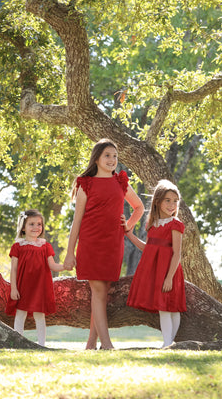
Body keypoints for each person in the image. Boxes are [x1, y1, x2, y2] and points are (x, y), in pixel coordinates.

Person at [64, 138, 144, 350]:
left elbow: (139, 208)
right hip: (91, 244)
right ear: (97, 158)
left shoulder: (120, 182)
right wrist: (69, 253)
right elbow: (76, 221)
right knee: (98, 293)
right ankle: (106, 344)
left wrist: (127, 226)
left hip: (113, 244)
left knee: (101, 294)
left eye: (115, 156)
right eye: (107, 155)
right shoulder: (85, 184)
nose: (112, 160)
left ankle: (91, 343)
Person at [124, 179, 186, 348]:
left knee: (172, 307)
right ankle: (169, 342)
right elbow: (148, 249)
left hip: (169, 271)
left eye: (175, 201)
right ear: (158, 201)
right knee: (163, 308)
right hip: (155, 271)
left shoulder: (176, 224)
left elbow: (177, 253)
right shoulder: (152, 224)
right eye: (168, 200)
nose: (172, 205)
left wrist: (169, 278)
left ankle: (168, 343)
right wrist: (129, 235)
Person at [6, 209, 64, 346]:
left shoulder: (45, 246)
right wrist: (13, 288)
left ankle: (42, 344)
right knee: (20, 313)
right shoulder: (18, 247)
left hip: (40, 286)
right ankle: (18, 343)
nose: (36, 227)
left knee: (40, 314)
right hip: (23, 285)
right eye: (31, 224)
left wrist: (65, 266)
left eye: (39, 224)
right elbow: (13, 269)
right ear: (23, 227)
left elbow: (53, 265)